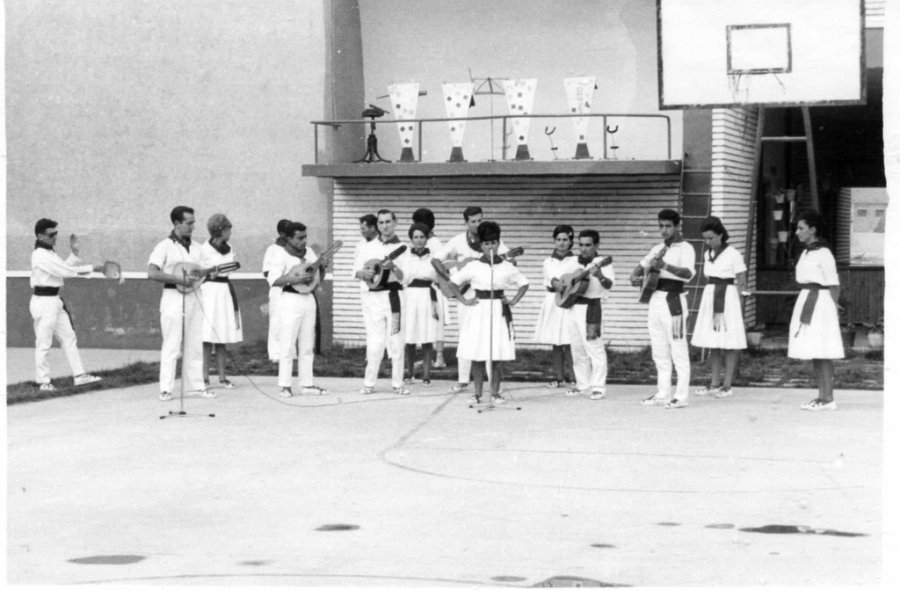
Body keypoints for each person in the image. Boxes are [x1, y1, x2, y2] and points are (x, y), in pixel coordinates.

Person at [450, 221, 528, 405]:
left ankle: (495, 393)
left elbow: (524, 283)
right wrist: (465, 301)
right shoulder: (473, 266)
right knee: (477, 353)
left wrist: (513, 301)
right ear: (481, 245)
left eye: (493, 243)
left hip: (498, 309)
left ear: (498, 243)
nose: (490, 247)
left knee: (496, 354)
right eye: (486, 243)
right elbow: (453, 283)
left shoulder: (507, 266)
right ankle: (477, 393)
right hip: (479, 310)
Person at [436, 206, 511, 393]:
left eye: (479, 220)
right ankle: (463, 379)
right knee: (467, 336)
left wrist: (509, 260)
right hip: (466, 295)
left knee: (491, 337)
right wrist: (449, 279)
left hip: (487, 296)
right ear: (466, 222)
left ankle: (492, 384)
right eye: (473, 221)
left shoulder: (491, 239)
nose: (477, 224)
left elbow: (508, 261)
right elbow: (436, 260)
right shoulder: (457, 240)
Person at [629, 208, 696, 409]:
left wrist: (665, 266)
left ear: (677, 226)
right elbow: (641, 267)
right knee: (659, 350)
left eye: (668, 226)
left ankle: (681, 396)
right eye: (661, 226)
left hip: (673, 300)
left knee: (678, 349)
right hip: (655, 299)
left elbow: (688, 274)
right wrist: (635, 276)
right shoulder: (658, 248)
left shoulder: (686, 248)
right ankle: (663, 393)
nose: (664, 230)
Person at [29, 218, 104, 391]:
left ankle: (79, 375)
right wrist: (93, 268)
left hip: (54, 300)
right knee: (44, 342)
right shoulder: (40, 255)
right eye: (51, 234)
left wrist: (74, 254)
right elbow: (65, 271)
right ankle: (43, 382)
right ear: (40, 236)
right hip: (43, 302)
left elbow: (62, 269)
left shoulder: (50, 253)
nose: (55, 237)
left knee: (69, 337)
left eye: (55, 233)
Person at [148, 206, 214, 401]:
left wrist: (209, 274)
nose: (193, 226)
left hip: (195, 296)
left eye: (193, 222)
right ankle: (166, 388)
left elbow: (204, 271)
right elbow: (152, 272)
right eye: (189, 223)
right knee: (172, 344)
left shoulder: (198, 248)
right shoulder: (164, 246)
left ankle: (196, 386)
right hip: (172, 296)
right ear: (177, 223)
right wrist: (178, 279)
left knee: (194, 343)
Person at [266, 221, 329, 397]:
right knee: (287, 344)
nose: (304, 241)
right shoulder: (280, 254)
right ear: (288, 238)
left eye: (305, 237)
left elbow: (318, 278)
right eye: (300, 238)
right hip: (290, 300)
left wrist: (322, 268)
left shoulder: (309, 252)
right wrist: (295, 279)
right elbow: (273, 280)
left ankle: (307, 384)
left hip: (308, 299)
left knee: (307, 344)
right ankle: (285, 385)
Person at [788, 209, 844, 411]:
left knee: (823, 350)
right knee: (815, 350)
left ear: (813, 229)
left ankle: (828, 398)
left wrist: (833, 309)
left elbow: (834, 284)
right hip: (807, 299)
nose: (797, 232)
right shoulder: (806, 252)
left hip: (821, 304)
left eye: (801, 228)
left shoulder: (824, 253)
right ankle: (821, 396)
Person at [353, 209, 410, 395]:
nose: (384, 226)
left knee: (396, 340)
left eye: (388, 222)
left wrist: (394, 267)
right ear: (377, 225)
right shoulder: (367, 247)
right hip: (373, 298)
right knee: (375, 341)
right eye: (381, 222)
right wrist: (363, 273)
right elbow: (356, 271)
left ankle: (398, 383)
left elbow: (406, 278)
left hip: (394, 298)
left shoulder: (403, 248)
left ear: (395, 222)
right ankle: (368, 383)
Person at [691, 216, 747, 398]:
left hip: (728, 298)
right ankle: (714, 383)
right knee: (713, 342)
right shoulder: (707, 254)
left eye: (711, 238)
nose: (707, 242)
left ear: (721, 235)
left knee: (729, 343)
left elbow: (742, 282)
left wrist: (738, 306)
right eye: (705, 238)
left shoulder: (733, 254)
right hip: (710, 296)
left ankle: (727, 385)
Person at [562, 229, 616, 399]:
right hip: (573, 307)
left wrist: (600, 276)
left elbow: (609, 285)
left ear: (596, 245)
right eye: (581, 245)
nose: (584, 249)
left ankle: (598, 387)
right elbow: (561, 279)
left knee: (594, 347)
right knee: (577, 348)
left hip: (591, 308)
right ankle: (583, 385)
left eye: (588, 245)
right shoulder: (572, 261)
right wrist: (559, 284)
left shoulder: (603, 263)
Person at [200, 213, 242, 389]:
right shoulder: (203, 249)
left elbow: (230, 268)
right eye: (228, 229)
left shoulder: (229, 248)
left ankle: (222, 377)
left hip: (224, 291)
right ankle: (203, 377)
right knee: (207, 335)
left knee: (221, 335)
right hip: (209, 292)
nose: (230, 233)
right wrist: (210, 272)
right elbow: (200, 271)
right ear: (220, 230)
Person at [532, 224, 576, 388]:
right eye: (558, 239)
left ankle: (574, 377)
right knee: (556, 342)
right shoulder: (548, 262)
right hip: (553, 301)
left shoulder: (576, 261)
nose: (561, 243)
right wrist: (553, 282)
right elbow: (548, 280)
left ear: (571, 241)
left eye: (565, 240)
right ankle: (559, 377)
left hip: (568, 302)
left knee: (569, 340)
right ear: (554, 241)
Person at [403, 222, 440, 386]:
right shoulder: (405, 258)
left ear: (427, 239)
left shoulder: (433, 259)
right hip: (410, 296)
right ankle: (409, 373)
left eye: (422, 237)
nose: (419, 240)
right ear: (411, 239)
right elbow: (403, 278)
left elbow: (438, 278)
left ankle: (426, 375)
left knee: (427, 336)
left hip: (426, 296)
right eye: (415, 237)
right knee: (409, 336)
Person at [412, 207, 450, 369]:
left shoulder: (434, 243)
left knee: (437, 323)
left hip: (435, 287)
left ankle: (439, 357)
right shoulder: (426, 241)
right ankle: (428, 357)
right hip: (424, 289)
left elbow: (442, 266)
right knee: (426, 323)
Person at [262, 219, 292, 362]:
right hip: (277, 290)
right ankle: (274, 354)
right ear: (281, 233)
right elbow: (266, 272)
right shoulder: (272, 249)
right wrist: (282, 275)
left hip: (292, 289)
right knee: (276, 322)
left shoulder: (293, 249)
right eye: (288, 233)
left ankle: (289, 352)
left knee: (290, 321)